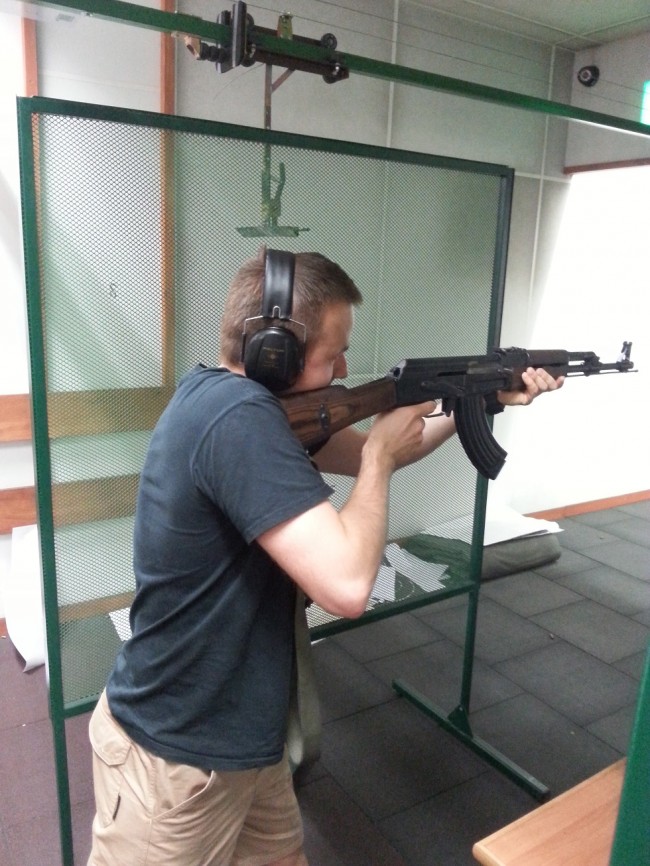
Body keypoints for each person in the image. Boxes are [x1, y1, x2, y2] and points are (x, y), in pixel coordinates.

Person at [87, 249, 563, 866]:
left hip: (244, 743)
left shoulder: (236, 402)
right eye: (331, 354)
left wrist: (476, 400)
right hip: (174, 761)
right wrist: (380, 459)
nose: (342, 367)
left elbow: (376, 448)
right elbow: (347, 586)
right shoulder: (238, 421)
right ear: (274, 353)